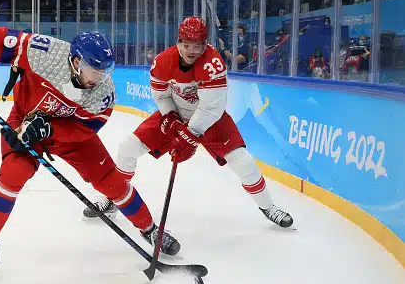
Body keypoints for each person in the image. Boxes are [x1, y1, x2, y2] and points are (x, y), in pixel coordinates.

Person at [0, 28, 181, 272]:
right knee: (13, 173)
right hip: (26, 122)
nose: (99, 77)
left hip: (69, 132)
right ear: (76, 62)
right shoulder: (43, 52)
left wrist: (50, 129)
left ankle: (149, 229)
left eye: (104, 70)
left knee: (111, 181)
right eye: (94, 69)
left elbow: (87, 128)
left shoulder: (104, 92)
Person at [81, 17, 294, 230]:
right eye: (186, 45)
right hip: (177, 114)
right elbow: (162, 96)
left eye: (197, 46)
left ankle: (268, 207)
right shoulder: (163, 61)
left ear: (205, 44)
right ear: (178, 42)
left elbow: (211, 108)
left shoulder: (213, 64)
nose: (191, 51)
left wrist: (189, 135)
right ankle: (113, 197)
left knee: (243, 161)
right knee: (128, 147)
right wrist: (171, 119)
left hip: (211, 121)